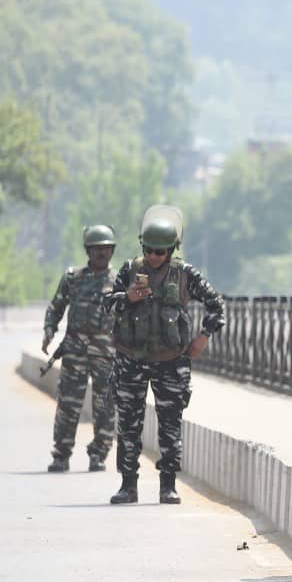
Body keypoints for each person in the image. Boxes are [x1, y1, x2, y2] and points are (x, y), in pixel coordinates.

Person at [103, 208, 226, 505]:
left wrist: (203, 336)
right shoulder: (130, 271)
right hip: (130, 358)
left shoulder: (185, 275)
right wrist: (127, 298)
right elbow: (106, 303)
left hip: (171, 360)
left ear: (171, 250)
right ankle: (128, 484)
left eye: (160, 252)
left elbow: (216, 305)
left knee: (170, 424)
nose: (154, 257)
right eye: (149, 250)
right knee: (128, 424)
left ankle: (168, 484)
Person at [42, 224, 118, 473]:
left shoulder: (119, 282)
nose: (101, 253)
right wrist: (49, 330)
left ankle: (99, 454)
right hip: (75, 350)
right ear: (88, 250)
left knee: (105, 405)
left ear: (112, 251)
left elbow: (130, 316)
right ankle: (61, 455)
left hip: (105, 352)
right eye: (97, 249)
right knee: (68, 404)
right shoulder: (73, 278)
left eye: (106, 248)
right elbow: (56, 307)